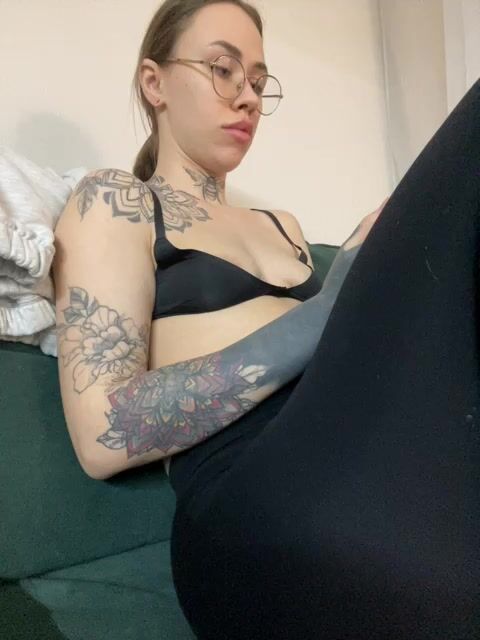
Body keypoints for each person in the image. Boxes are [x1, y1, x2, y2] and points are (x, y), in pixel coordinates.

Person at [52, 0, 479, 638]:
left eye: (258, 80)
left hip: (366, 438)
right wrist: (333, 307)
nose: (248, 97)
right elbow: (102, 433)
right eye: (223, 69)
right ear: (154, 83)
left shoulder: (284, 227)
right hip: (253, 499)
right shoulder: (119, 200)